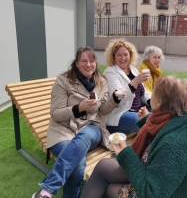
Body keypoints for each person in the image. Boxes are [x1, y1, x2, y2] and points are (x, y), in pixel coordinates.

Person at [80, 75, 187, 198]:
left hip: (157, 190)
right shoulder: (180, 121)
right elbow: (162, 133)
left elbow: (151, 193)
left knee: (108, 187)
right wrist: (147, 120)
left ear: (159, 101)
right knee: (103, 167)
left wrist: (126, 154)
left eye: (154, 92)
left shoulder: (174, 144)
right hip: (154, 175)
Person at [32, 47, 122, 198]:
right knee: (78, 164)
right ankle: (51, 192)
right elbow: (55, 114)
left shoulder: (101, 81)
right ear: (77, 63)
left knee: (86, 135)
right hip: (63, 130)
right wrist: (78, 108)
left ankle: (46, 189)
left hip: (91, 127)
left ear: (95, 62)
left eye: (92, 61)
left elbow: (103, 111)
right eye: (84, 61)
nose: (88, 64)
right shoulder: (63, 80)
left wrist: (115, 99)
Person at [103, 38, 151, 134]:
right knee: (146, 120)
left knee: (161, 112)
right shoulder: (110, 72)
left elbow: (144, 92)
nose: (123, 58)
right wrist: (135, 81)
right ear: (113, 57)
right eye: (119, 55)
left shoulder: (133, 69)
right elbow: (119, 99)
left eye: (126, 54)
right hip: (120, 114)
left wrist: (151, 101)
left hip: (138, 109)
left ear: (131, 55)